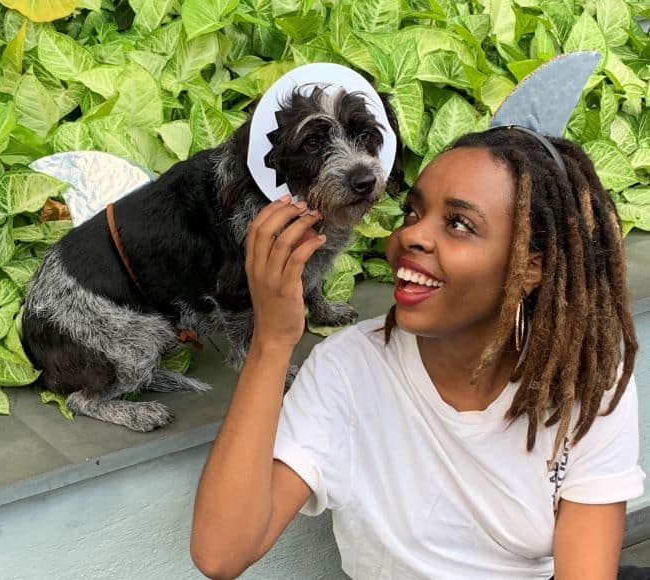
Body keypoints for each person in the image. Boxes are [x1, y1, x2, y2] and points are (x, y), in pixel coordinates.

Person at [190, 127, 647, 579]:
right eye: (413, 213)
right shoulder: (349, 371)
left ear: (530, 267)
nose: (411, 237)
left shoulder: (584, 377)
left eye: (459, 224)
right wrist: (271, 342)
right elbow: (222, 552)